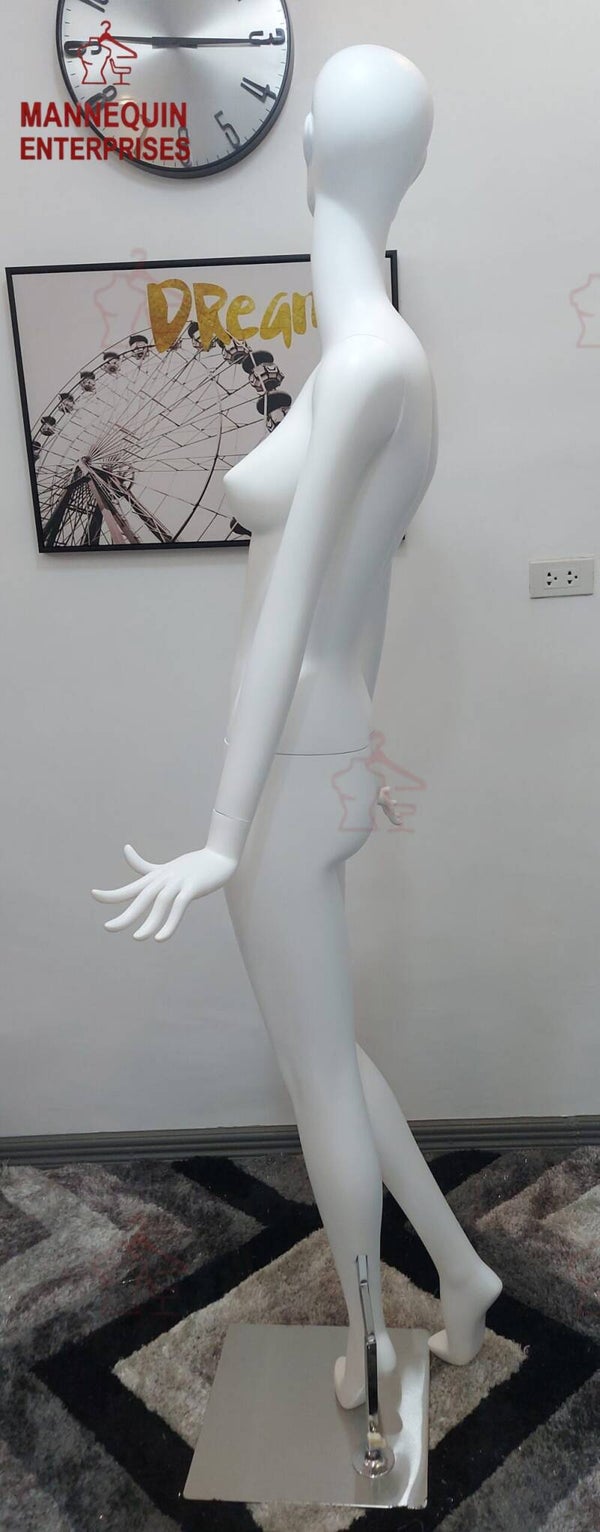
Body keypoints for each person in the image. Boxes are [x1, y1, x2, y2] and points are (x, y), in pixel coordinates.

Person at [93, 46, 501, 1408]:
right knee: (332, 1055)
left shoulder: (372, 365)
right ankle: (464, 1277)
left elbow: (291, 612)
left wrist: (224, 831)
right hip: (312, 754)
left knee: (316, 1076)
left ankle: (372, 1358)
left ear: (315, 143)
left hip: (294, 764)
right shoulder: (374, 358)